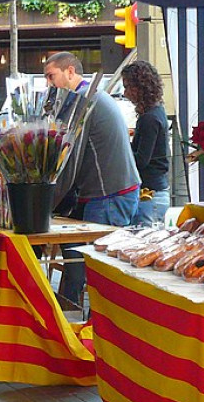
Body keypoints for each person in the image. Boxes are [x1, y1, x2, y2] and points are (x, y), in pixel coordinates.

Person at [44, 52, 141, 308]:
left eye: (51, 76)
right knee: (76, 251)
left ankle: (93, 321)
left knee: (98, 265)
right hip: (102, 193)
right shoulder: (84, 98)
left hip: (111, 194)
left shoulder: (86, 101)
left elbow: (69, 162)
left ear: (70, 72)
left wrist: (46, 204)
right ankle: (70, 307)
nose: (49, 84)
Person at [121, 60, 170, 227]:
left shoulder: (149, 118)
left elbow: (141, 160)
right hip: (155, 192)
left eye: (127, 87)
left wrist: (121, 147)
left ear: (140, 88)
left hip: (150, 194)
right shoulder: (156, 112)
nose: (125, 93)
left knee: (145, 241)